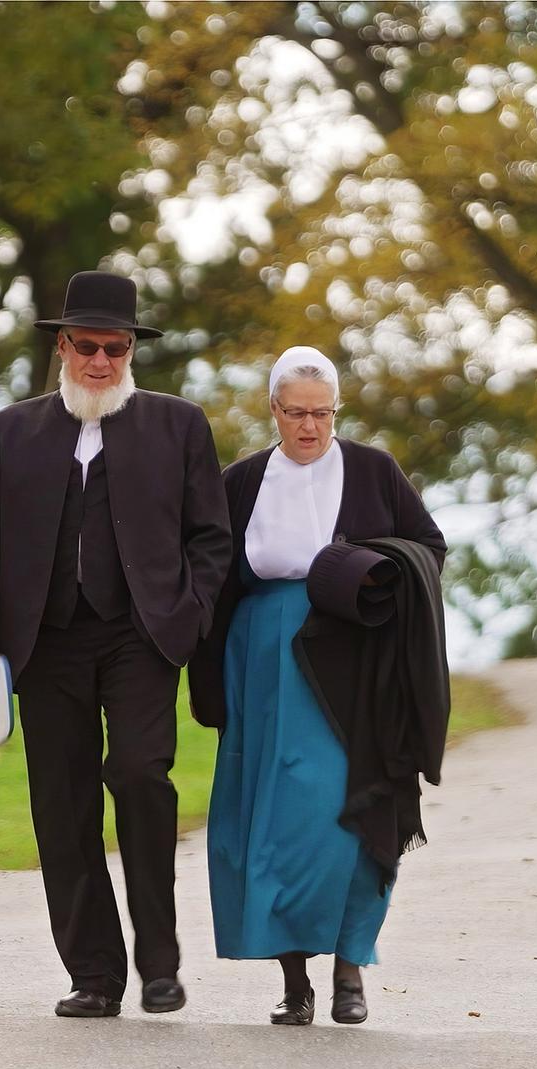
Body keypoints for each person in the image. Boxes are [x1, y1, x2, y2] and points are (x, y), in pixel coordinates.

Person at [0, 271, 230, 1019]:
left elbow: (211, 538)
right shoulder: (14, 430)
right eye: (87, 347)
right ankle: (95, 975)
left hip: (141, 637)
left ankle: (159, 964)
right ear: (62, 347)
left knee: (139, 777)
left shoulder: (180, 426)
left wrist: (189, 614)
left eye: (116, 347)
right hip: (46, 641)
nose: (100, 361)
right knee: (62, 807)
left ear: (132, 351)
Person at [188, 346, 448, 1026]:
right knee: (273, 819)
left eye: (323, 413)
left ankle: (350, 970)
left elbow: (428, 549)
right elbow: (208, 569)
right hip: (264, 659)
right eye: (297, 413)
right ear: (273, 411)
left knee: (347, 808)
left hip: (353, 660)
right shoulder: (241, 482)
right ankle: (296, 981)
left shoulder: (373, 471)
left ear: (337, 411)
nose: (311, 426)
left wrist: (369, 574)